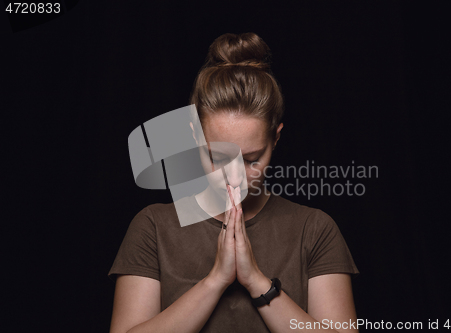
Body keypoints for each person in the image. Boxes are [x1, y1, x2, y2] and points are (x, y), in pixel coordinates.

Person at [108, 32, 360, 333]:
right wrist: (215, 280)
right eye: (218, 157)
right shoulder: (153, 226)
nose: (235, 176)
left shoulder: (314, 229)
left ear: (276, 138)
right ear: (194, 137)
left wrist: (256, 281)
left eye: (252, 159)